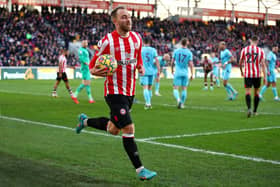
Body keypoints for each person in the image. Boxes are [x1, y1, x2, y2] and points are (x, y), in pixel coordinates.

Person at [75, 6, 157, 180]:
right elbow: (92, 68)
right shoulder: (107, 42)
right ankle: (140, 170)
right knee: (129, 127)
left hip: (129, 92)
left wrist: (140, 66)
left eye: (129, 17)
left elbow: (138, 56)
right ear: (115, 21)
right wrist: (104, 71)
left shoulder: (137, 38)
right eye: (124, 17)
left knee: (113, 129)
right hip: (114, 91)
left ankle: (85, 121)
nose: (129, 20)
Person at [239, 36, 267, 117]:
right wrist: (265, 77)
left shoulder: (244, 50)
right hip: (257, 74)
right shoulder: (260, 51)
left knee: (248, 91)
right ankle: (255, 111)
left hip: (247, 74)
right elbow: (263, 64)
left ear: (250, 41)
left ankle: (249, 109)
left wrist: (241, 71)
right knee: (257, 92)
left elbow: (240, 62)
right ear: (257, 41)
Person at [171, 38, 194, 109]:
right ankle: (182, 103)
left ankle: (178, 100)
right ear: (187, 43)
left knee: (175, 88)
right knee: (184, 89)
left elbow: (172, 62)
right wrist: (192, 74)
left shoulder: (176, 51)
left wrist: (172, 70)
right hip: (185, 72)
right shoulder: (189, 52)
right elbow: (191, 64)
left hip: (177, 72)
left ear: (181, 43)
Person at [72, 40, 95, 104]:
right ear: (83, 44)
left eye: (87, 43)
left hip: (87, 68)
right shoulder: (81, 50)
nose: (87, 44)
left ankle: (90, 98)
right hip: (85, 68)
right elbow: (81, 58)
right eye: (86, 43)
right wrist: (86, 63)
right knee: (86, 83)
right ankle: (75, 95)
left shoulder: (85, 49)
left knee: (87, 83)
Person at [140, 38, 160, 109]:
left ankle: (148, 103)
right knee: (150, 88)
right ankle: (149, 102)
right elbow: (157, 61)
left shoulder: (141, 49)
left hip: (143, 71)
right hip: (151, 71)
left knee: (145, 88)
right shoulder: (153, 50)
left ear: (143, 42)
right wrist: (158, 70)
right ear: (149, 42)